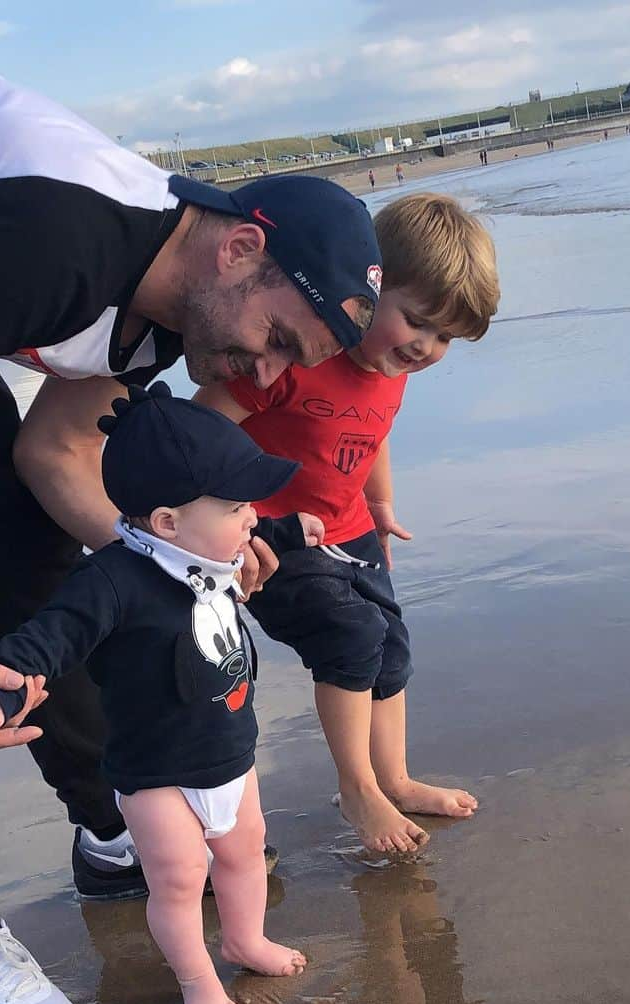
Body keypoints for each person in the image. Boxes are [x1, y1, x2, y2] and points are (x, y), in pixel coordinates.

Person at [0, 67, 381, 1004]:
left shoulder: (177, 308)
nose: (262, 377)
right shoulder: (61, 246)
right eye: (272, 340)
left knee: (25, 566)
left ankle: (109, 824)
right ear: (242, 247)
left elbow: (51, 458)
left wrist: (181, 563)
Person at [0, 384, 315, 1004]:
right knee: (179, 878)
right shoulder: (113, 582)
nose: (251, 517)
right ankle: (197, 976)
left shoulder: (214, 552)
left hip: (231, 751)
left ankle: (245, 940)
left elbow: (257, 535)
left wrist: (290, 531)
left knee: (245, 853)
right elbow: (49, 636)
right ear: (168, 521)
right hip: (156, 772)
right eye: (236, 505)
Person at [198, 194, 499, 854]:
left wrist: (382, 505)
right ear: (368, 286)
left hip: (354, 526)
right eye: (415, 320)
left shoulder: (393, 369)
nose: (424, 347)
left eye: (445, 337)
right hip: (278, 537)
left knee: (390, 646)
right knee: (351, 638)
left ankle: (393, 778)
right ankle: (357, 788)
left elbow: (372, 436)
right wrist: (227, 527)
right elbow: (204, 427)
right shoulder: (299, 352)